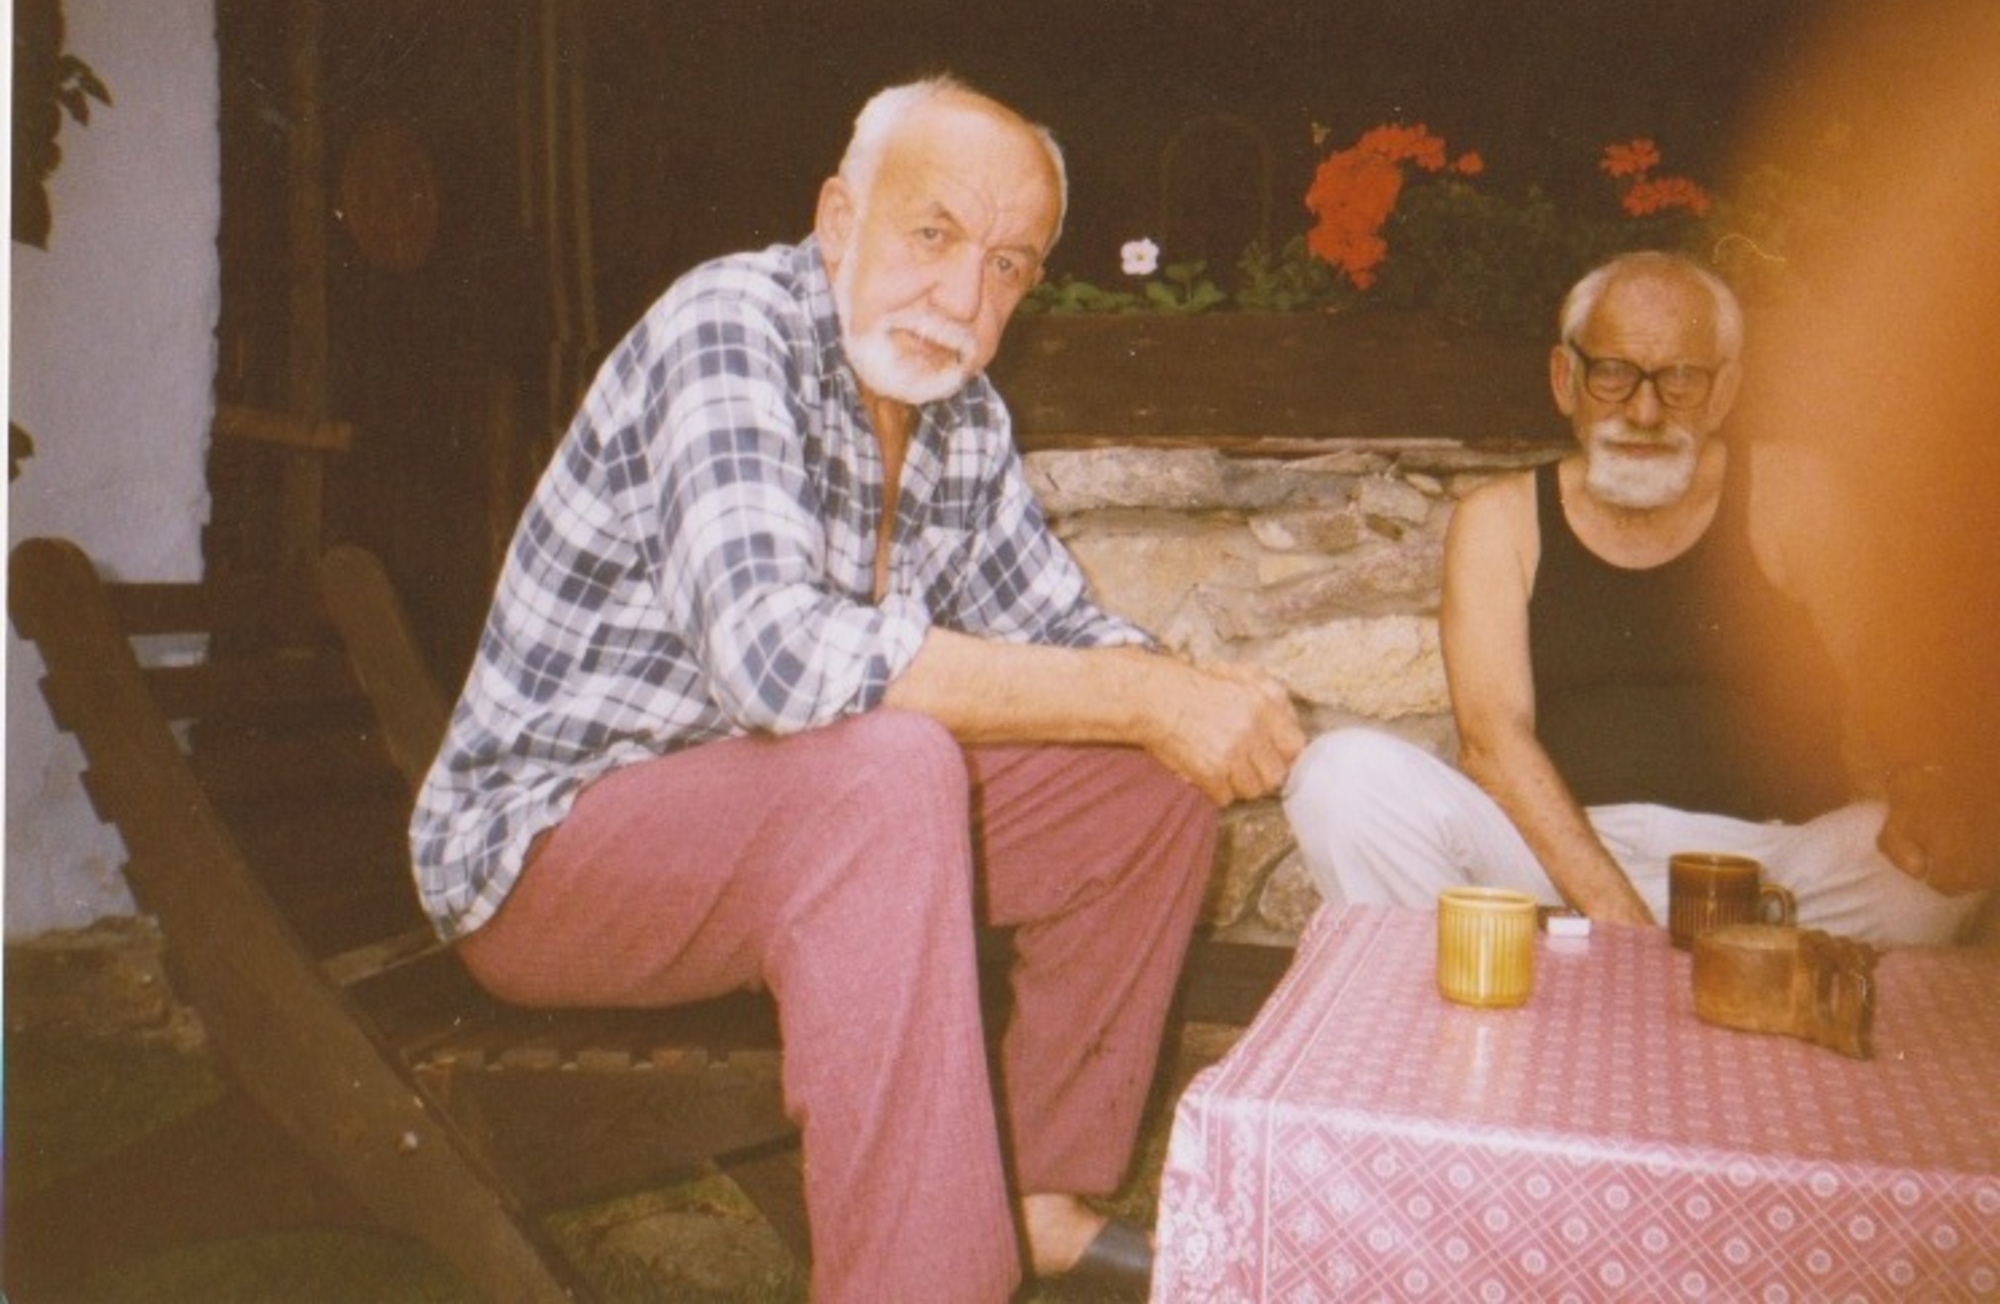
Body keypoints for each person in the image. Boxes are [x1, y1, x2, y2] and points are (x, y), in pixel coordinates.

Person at [410, 76, 1304, 1302]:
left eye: (1006, 265)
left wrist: (1193, 698)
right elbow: (775, 657)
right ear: (839, 219)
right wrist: (1145, 695)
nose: (963, 297)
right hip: (547, 857)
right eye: (933, 233)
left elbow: (1066, 629)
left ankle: (1038, 1193)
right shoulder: (727, 325)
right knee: (890, 765)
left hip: (762, 837)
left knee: (1140, 786)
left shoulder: (959, 416)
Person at [1283, 250, 1992, 947]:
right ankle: (1572, 982)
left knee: (1940, 854)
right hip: (1559, 865)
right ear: (1565, 380)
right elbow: (1492, 742)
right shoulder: (1500, 520)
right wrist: (1624, 925)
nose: (1645, 410)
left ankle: (1600, 979)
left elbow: (1885, 673)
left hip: (1776, 873)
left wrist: (1923, 779)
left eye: (1680, 379)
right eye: (1615, 374)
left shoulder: (1791, 495)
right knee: (1343, 778)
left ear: (1723, 391)